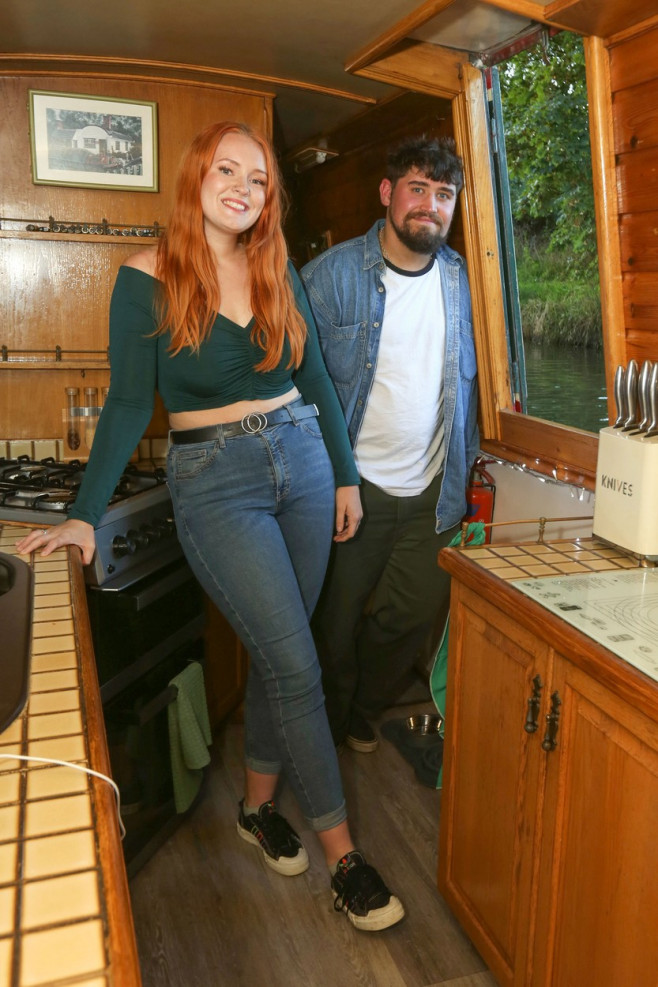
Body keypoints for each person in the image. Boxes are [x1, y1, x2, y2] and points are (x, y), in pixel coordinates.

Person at [17, 121, 404, 932]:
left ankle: (257, 807)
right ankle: (346, 857)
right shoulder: (145, 277)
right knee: (298, 665)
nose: (242, 186)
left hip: (299, 462)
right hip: (215, 480)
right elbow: (129, 402)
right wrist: (85, 515)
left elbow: (317, 381)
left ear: (268, 197)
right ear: (196, 177)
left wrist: (341, 474)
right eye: (227, 170)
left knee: (279, 654)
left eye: (257, 178)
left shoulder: (272, 264)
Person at [301, 134, 479, 753]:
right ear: (387, 192)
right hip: (351, 491)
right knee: (334, 624)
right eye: (417, 188)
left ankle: (362, 708)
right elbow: (294, 388)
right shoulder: (328, 278)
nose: (430, 205)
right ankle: (332, 718)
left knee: (406, 619)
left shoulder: (464, 283)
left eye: (444, 193)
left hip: (435, 494)